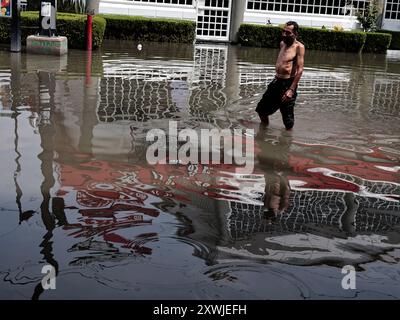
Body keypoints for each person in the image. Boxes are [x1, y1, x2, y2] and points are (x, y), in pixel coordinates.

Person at [256, 21, 305, 130]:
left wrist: (291, 90)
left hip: (287, 84)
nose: (284, 34)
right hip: (276, 81)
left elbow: (300, 70)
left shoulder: (299, 47)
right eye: (283, 31)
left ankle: (287, 140)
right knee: (261, 110)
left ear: (295, 34)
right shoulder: (282, 44)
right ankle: (263, 131)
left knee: (287, 120)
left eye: (287, 32)